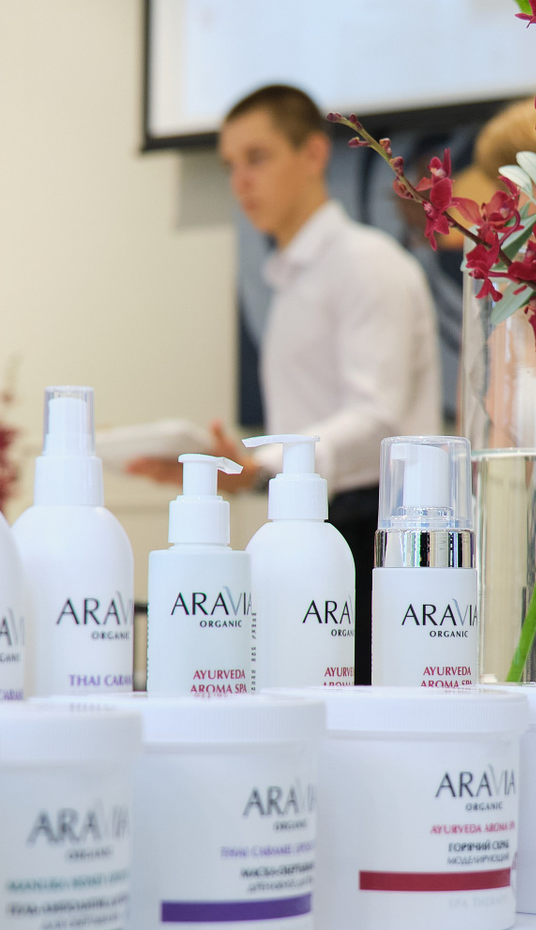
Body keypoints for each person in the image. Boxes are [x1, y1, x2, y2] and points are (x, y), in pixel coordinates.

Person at [128, 84, 441, 683]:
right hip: (316, 523)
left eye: (257, 157)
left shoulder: (366, 263)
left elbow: (376, 416)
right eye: (230, 165)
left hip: (371, 531)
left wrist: (261, 465)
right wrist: (243, 473)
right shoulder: (293, 277)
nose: (240, 181)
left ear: (314, 154)